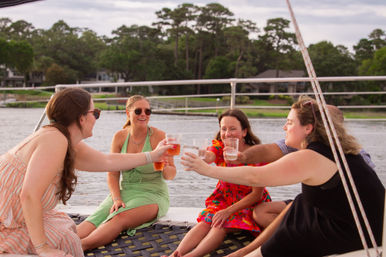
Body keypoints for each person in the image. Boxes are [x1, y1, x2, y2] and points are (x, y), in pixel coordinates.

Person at [182, 96, 385, 257]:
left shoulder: (311, 157)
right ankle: (249, 251)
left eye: (289, 122)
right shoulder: (333, 148)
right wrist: (242, 156)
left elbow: (256, 176)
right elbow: (270, 150)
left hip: (356, 234)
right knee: (298, 204)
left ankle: (257, 253)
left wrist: (207, 169)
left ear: (308, 128)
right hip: (350, 219)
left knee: (291, 231)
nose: (284, 127)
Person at [0, 88, 170, 257]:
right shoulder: (54, 140)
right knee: (66, 238)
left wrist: (153, 155)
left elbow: (108, 161)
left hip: (14, 220)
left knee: (68, 233)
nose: (96, 118)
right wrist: (43, 248)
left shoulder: (64, 140)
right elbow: (29, 195)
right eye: (95, 113)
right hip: (5, 226)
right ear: (81, 118)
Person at [76, 95, 176, 251]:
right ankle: (58, 244)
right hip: (125, 191)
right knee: (96, 217)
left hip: (153, 194)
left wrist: (166, 165)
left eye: (147, 111)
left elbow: (170, 175)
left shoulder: (159, 136)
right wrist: (116, 198)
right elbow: (113, 173)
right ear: (127, 113)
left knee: (119, 217)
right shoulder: (120, 137)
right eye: (138, 111)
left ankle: (78, 248)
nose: (143, 114)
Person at [166, 109, 271, 257]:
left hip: (248, 204)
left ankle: (192, 256)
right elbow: (209, 157)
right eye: (224, 129)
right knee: (205, 221)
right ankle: (176, 254)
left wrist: (228, 211)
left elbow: (256, 195)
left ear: (244, 132)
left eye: (233, 129)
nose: (227, 133)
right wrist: (202, 157)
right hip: (224, 199)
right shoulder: (220, 147)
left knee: (219, 225)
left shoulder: (256, 155)